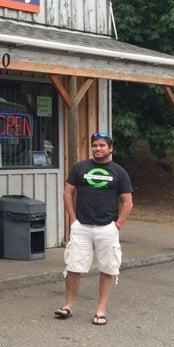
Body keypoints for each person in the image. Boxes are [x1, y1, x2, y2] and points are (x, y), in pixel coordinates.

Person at [54, 131, 133, 326]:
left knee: (108, 268)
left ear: (110, 148)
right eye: (95, 145)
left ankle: (100, 310)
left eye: (102, 146)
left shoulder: (119, 172)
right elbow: (67, 193)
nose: (98, 149)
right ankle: (68, 306)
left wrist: (118, 225)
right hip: (82, 226)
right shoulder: (79, 168)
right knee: (73, 266)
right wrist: (73, 219)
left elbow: (127, 202)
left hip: (107, 228)